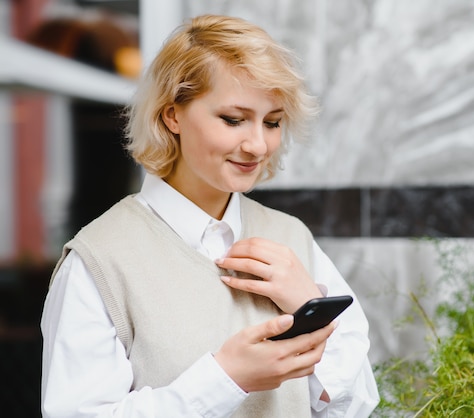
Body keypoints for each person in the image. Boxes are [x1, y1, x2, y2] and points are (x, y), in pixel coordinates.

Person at [40, 13, 380, 418]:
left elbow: (356, 406)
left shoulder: (293, 240)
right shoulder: (100, 260)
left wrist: (306, 303)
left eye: (272, 122)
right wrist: (225, 379)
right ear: (172, 115)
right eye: (233, 119)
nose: (257, 144)